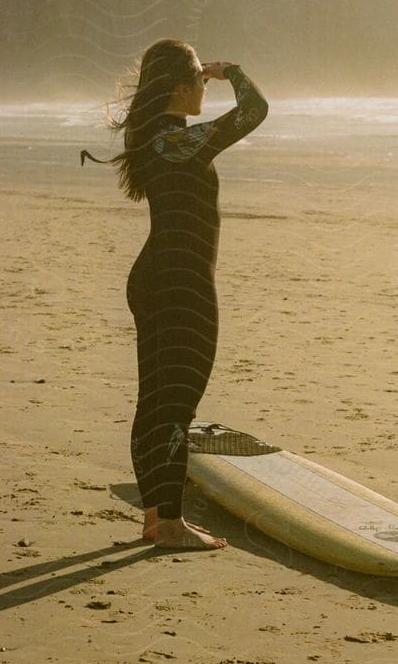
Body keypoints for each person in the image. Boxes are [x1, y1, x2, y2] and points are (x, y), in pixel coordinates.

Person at [83, 41, 268, 551]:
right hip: (180, 283)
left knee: (156, 402)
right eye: (200, 84)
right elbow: (255, 111)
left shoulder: (159, 140)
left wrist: (202, 76)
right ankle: (168, 524)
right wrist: (231, 69)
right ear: (182, 88)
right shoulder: (179, 142)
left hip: (157, 277)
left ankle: (156, 518)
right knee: (177, 404)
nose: (205, 93)